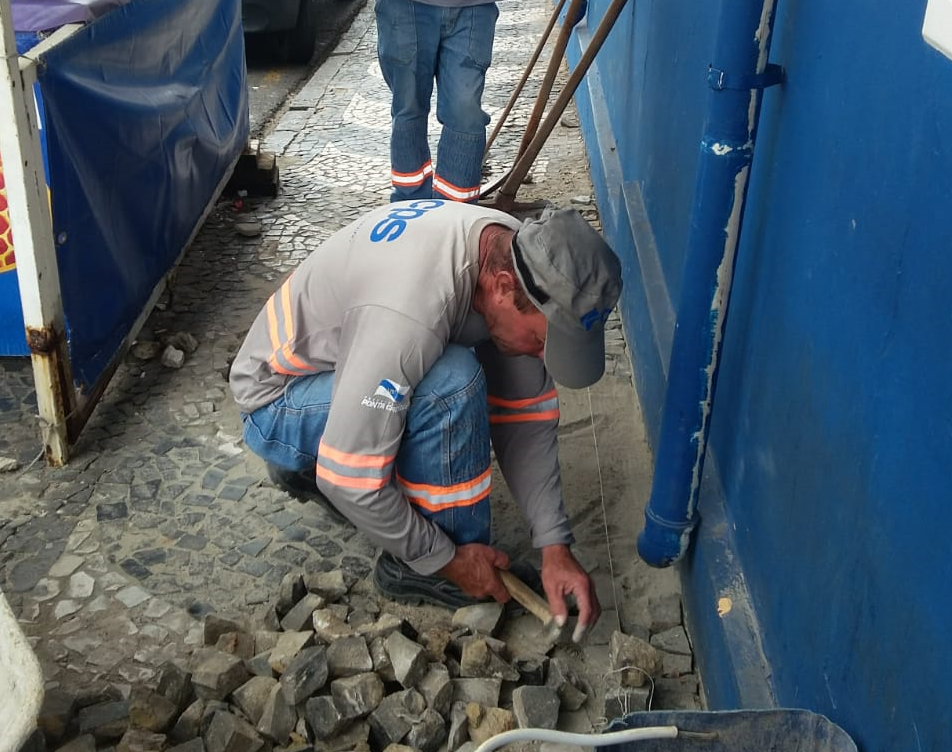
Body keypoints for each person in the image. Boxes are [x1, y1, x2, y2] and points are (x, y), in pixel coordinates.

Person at [229, 199, 622, 640]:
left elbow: (524, 413)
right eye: (539, 340)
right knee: (449, 386)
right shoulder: (408, 312)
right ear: (502, 287)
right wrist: (446, 558)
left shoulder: (515, 250)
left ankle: (314, 460)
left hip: (347, 362)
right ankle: (424, 569)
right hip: (277, 396)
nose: (541, 355)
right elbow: (349, 479)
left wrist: (554, 544)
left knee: (472, 362)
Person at [375, 0, 498, 204]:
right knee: (409, 105)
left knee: (465, 111)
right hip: (404, 7)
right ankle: (410, 206)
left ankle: (456, 211)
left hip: (473, 6)